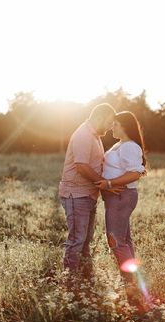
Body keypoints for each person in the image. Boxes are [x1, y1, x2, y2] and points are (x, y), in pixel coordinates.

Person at [59, 103, 123, 285]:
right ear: (100, 117)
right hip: (76, 195)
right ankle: (70, 281)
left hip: (87, 195)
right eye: (110, 122)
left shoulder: (94, 135)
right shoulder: (84, 135)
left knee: (86, 239)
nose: (111, 127)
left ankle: (86, 276)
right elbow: (82, 167)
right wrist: (105, 185)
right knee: (77, 240)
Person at [95, 111, 147, 308]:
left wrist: (109, 183)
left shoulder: (130, 146)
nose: (112, 127)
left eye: (115, 124)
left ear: (125, 125)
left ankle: (131, 289)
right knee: (124, 241)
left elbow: (135, 173)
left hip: (121, 196)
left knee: (116, 242)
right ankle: (133, 287)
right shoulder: (120, 145)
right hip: (116, 197)